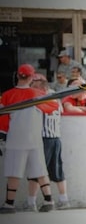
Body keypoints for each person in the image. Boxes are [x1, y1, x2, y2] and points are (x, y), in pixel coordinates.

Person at [0, 64, 58, 214]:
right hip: (35, 140)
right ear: (31, 77)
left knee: (14, 172)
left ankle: (9, 204)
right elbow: (53, 107)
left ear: (18, 76)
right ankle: (48, 200)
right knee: (40, 171)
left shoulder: (6, 96)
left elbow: (3, 120)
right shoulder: (39, 95)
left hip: (15, 140)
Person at [28, 74, 71, 210]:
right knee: (57, 170)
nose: (31, 84)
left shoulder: (39, 98)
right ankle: (64, 200)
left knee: (36, 171)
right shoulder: (55, 96)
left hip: (43, 138)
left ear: (39, 83)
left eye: (33, 82)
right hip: (55, 138)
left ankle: (31, 203)